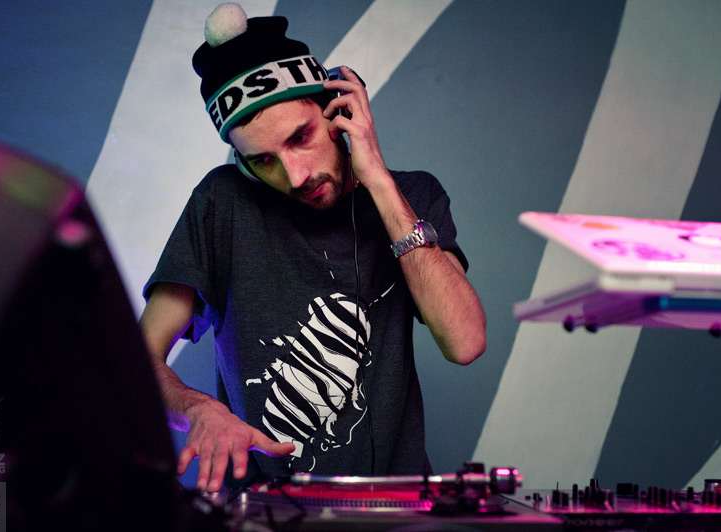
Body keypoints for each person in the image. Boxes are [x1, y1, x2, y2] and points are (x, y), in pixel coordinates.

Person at [139, 3, 486, 494]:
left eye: (300, 137)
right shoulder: (222, 203)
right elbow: (136, 360)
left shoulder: (414, 197)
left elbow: (465, 342)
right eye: (263, 161)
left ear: (336, 110)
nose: (295, 176)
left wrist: (378, 180)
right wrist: (199, 411)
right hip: (263, 513)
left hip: (396, 510)